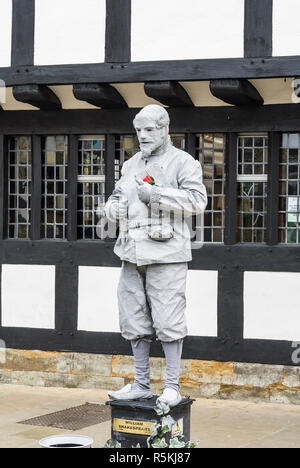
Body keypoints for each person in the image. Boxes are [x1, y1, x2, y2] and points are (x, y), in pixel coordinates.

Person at [104, 104, 207, 407]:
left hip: (166, 254)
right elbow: (115, 196)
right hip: (130, 252)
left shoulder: (183, 162)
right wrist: (112, 209)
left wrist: (158, 194)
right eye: (139, 130)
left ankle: (172, 386)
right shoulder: (131, 163)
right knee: (133, 317)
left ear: (165, 129)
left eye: (150, 129)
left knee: (168, 319)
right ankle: (140, 383)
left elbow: (198, 201)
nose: (143, 135)